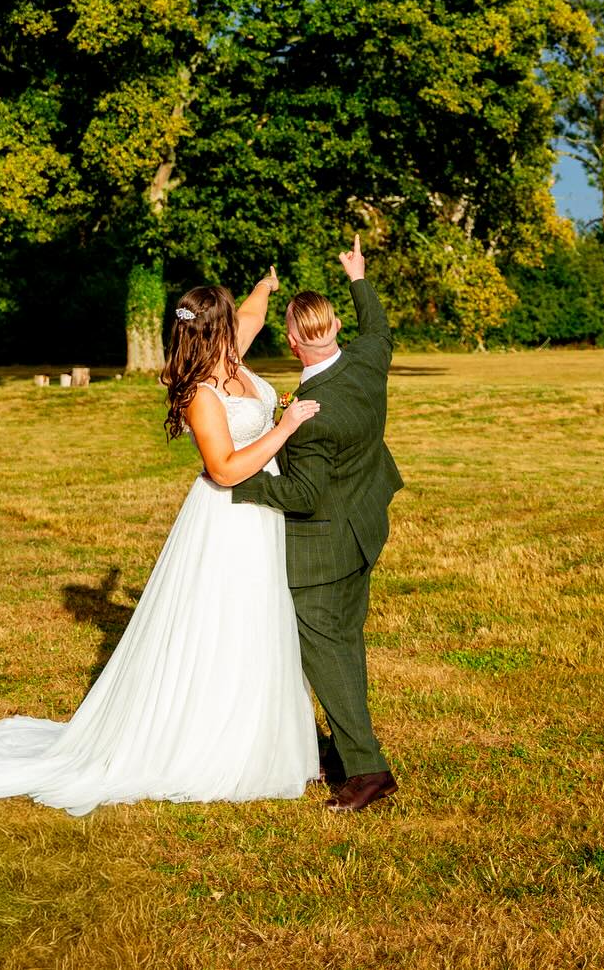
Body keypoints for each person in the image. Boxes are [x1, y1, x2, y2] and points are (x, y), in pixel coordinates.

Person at [0, 269, 322, 815]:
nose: (242, 329)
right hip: (227, 520)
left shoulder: (231, 355)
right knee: (224, 623)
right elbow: (223, 470)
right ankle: (210, 743)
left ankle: (262, 732)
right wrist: (285, 426)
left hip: (261, 515)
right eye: (231, 322)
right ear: (215, 332)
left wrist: (267, 287)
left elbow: (252, 316)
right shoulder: (202, 391)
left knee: (260, 619)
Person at [230, 233, 404, 814]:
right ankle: (336, 749)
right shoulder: (365, 359)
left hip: (323, 543)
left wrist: (234, 478)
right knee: (345, 645)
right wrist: (358, 275)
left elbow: (302, 493)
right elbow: (378, 326)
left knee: (326, 653)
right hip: (364, 524)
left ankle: (366, 769)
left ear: (290, 339)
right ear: (332, 330)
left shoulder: (311, 414)